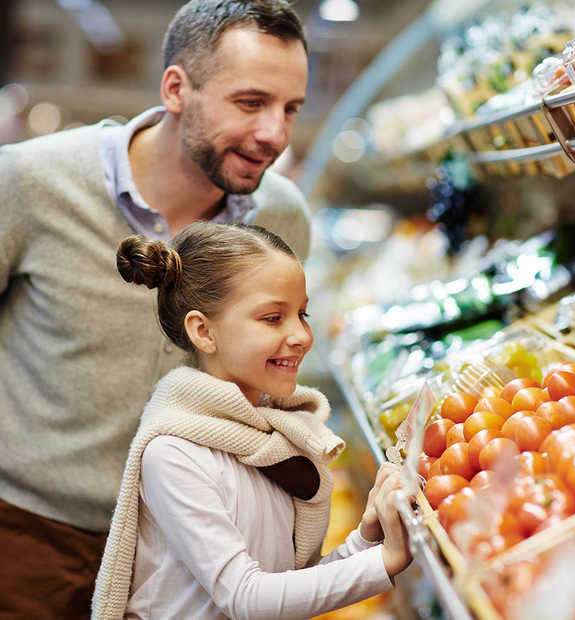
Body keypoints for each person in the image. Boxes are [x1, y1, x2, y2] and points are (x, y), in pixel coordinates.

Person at [0, 1, 313, 617]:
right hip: (29, 538)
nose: (275, 134)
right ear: (176, 88)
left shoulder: (283, 219)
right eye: (250, 103)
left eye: (290, 109)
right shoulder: (30, 183)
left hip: (187, 548)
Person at [92, 222, 412, 619]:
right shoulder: (173, 454)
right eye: (273, 318)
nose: (301, 335)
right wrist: (384, 561)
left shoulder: (268, 438)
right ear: (204, 331)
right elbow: (247, 598)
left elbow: (290, 587)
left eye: (302, 314)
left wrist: (368, 538)